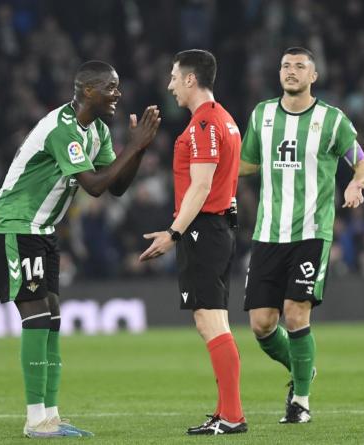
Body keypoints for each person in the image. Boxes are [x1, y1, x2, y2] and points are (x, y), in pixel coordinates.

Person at [0, 60, 161, 438]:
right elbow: (94, 185)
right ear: (88, 91)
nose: (118, 94)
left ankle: (51, 415)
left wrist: (138, 150)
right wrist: (135, 144)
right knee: (36, 315)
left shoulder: (97, 131)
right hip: (13, 224)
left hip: (42, 228)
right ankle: (35, 420)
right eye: (111, 87)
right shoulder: (62, 129)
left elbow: (116, 187)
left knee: (53, 317)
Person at [239, 47, 364, 424]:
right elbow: (246, 164)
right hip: (267, 233)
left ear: (314, 76)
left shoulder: (333, 121)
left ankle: (300, 400)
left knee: (296, 315)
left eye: (300, 66)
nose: (291, 71)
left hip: (311, 233)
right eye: (285, 65)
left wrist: (356, 185)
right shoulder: (262, 114)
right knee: (262, 325)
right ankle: (303, 368)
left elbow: (363, 166)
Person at [139, 49, 246, 435]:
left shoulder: (204, 124)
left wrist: (174, 233)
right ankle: (226, 411)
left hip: (204, 230)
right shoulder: (225, 120)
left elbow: (201, 186)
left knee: (210, 322)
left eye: (173, 77)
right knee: (215, 322)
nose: (169, 85)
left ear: (189, 79)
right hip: (216, 229)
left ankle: (232, 415)